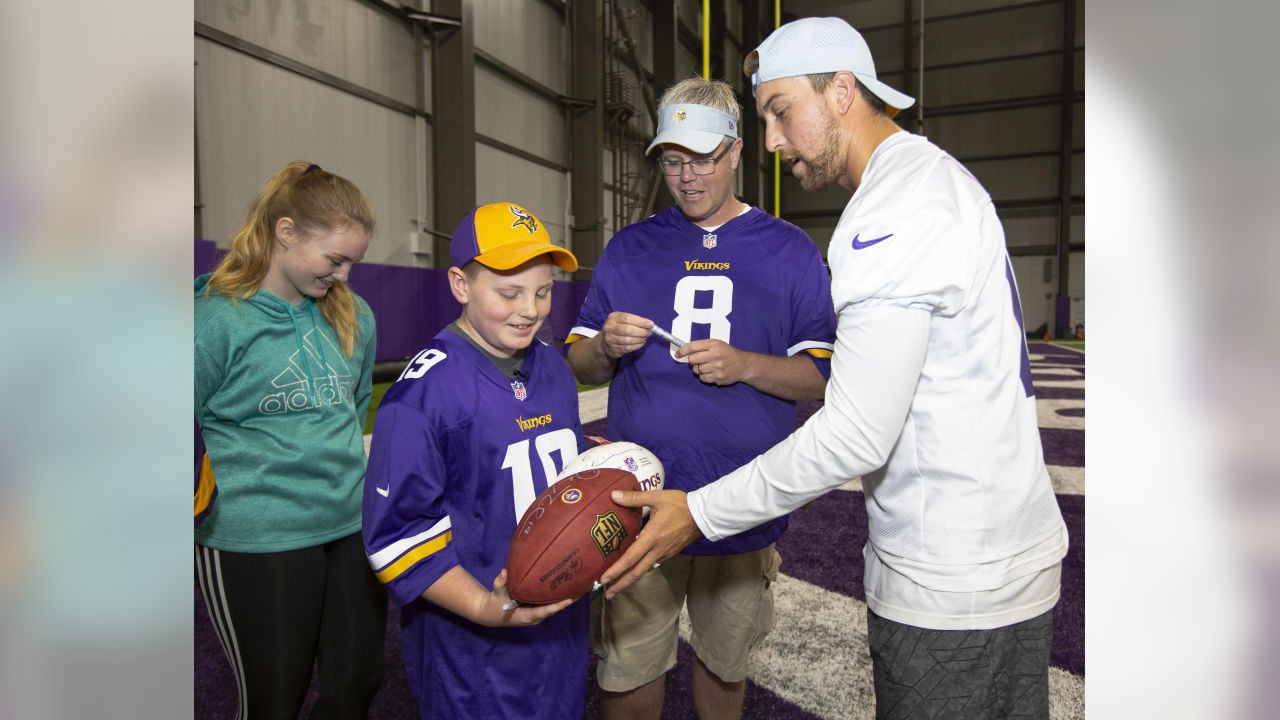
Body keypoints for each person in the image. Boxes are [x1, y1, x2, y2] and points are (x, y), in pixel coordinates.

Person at [602, 17, 1069, 720]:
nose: (774, 140)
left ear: (843, 91)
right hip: (994, 554)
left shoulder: (892, 207)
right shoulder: (934, 179)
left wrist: (698, 510)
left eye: (781, 112)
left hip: (952, 574)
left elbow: (855, 432)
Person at [565, 78, 837, 720]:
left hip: (743, 503)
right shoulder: (629, 247)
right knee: (628, 671)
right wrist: (606, 345)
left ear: (737, 151)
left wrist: (745, 364)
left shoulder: (790, 250)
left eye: (704, 158)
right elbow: (578, 364)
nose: (687, 177)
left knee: (724, 666)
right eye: (673, 160)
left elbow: (821, 379)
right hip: (635, 502)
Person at [362, 203, 586, 719]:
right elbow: (396, 536)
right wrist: (485, 607)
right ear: (460, 285)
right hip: (474, 645)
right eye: (508, 293)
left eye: (544, 290)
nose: (530, 309)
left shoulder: (552, 368)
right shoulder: (425, 394)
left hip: (561, 627)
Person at [194, 161, 385, 719]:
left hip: (349, 527)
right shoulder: (214, 320)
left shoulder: (356, 316)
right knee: (273, 701)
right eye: (335, 259)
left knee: (357, 684)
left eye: (353, 262)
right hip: (257, 538)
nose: (344, 275)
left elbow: (351, 410)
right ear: (285, 232)